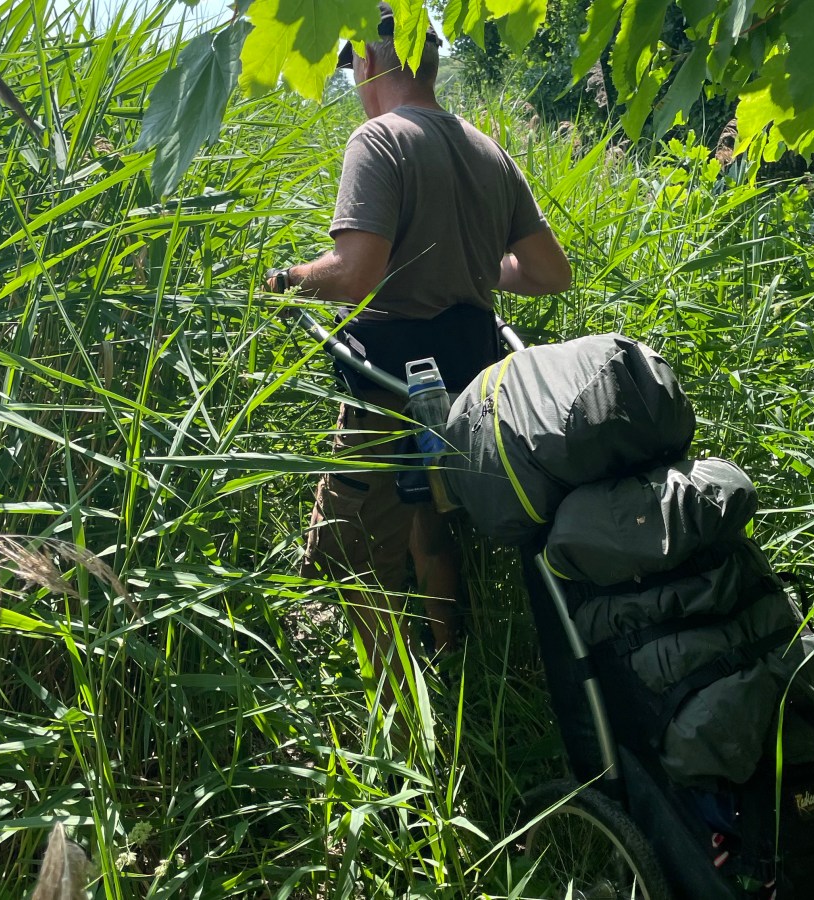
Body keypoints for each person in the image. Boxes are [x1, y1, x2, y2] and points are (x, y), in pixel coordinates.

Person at [267, 2, 570, 680]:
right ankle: (448, 656)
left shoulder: (378, 141)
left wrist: (287, 279)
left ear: (370, 63)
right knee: (431, 526)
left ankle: (390, 706)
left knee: (345, 547)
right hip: (467, 387)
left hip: (390, 389)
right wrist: (468, 261)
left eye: (353, 68)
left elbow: (353, 275)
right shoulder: (488, 149)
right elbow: (552, 274)